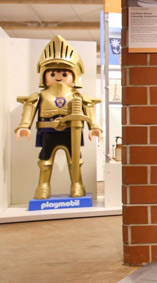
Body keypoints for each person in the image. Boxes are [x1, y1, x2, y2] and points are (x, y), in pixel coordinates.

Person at [15, 35, 102, 199]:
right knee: (45, 160)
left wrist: (95, 127)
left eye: (64, 73)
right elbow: (30, 109)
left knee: (75, 160)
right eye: (53, 73)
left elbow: (89, 111)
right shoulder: (39, 96)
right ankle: (43, 186)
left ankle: (77, 184)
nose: (58, 77)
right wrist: (24, 126)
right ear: (44, 75)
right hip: (48, 132)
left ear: (74, 75)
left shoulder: (78, 96)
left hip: (72, 132)